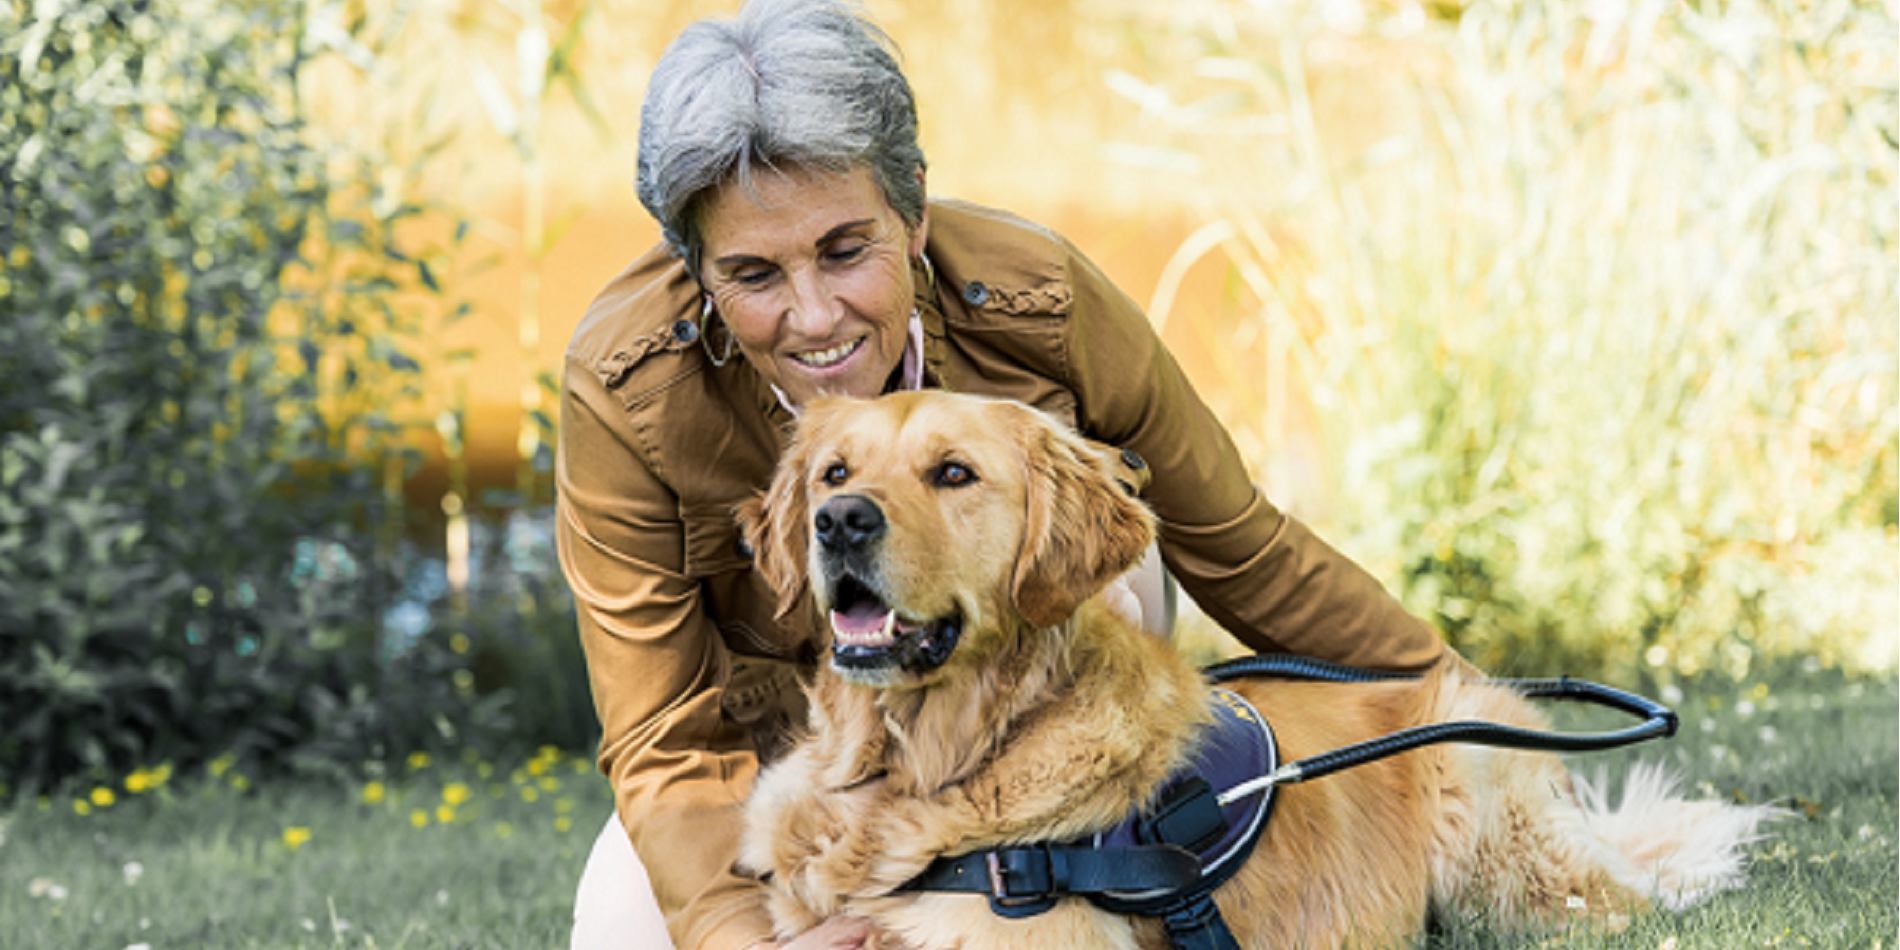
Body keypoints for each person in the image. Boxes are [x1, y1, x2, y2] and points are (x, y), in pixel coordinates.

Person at [556, 1, 1449, 948]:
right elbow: (665, 740)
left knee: (1106, 592)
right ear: (694, 266)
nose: (813, 317)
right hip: (789, 739)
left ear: (912, 216)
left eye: (845, 249)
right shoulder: (625, 385)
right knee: (618, 930)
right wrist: (741, 939)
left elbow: (1244, 551)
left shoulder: (1041, 297)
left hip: (1026, 688)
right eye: (754, 274)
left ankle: (1055, 890)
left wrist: (1456, 712)